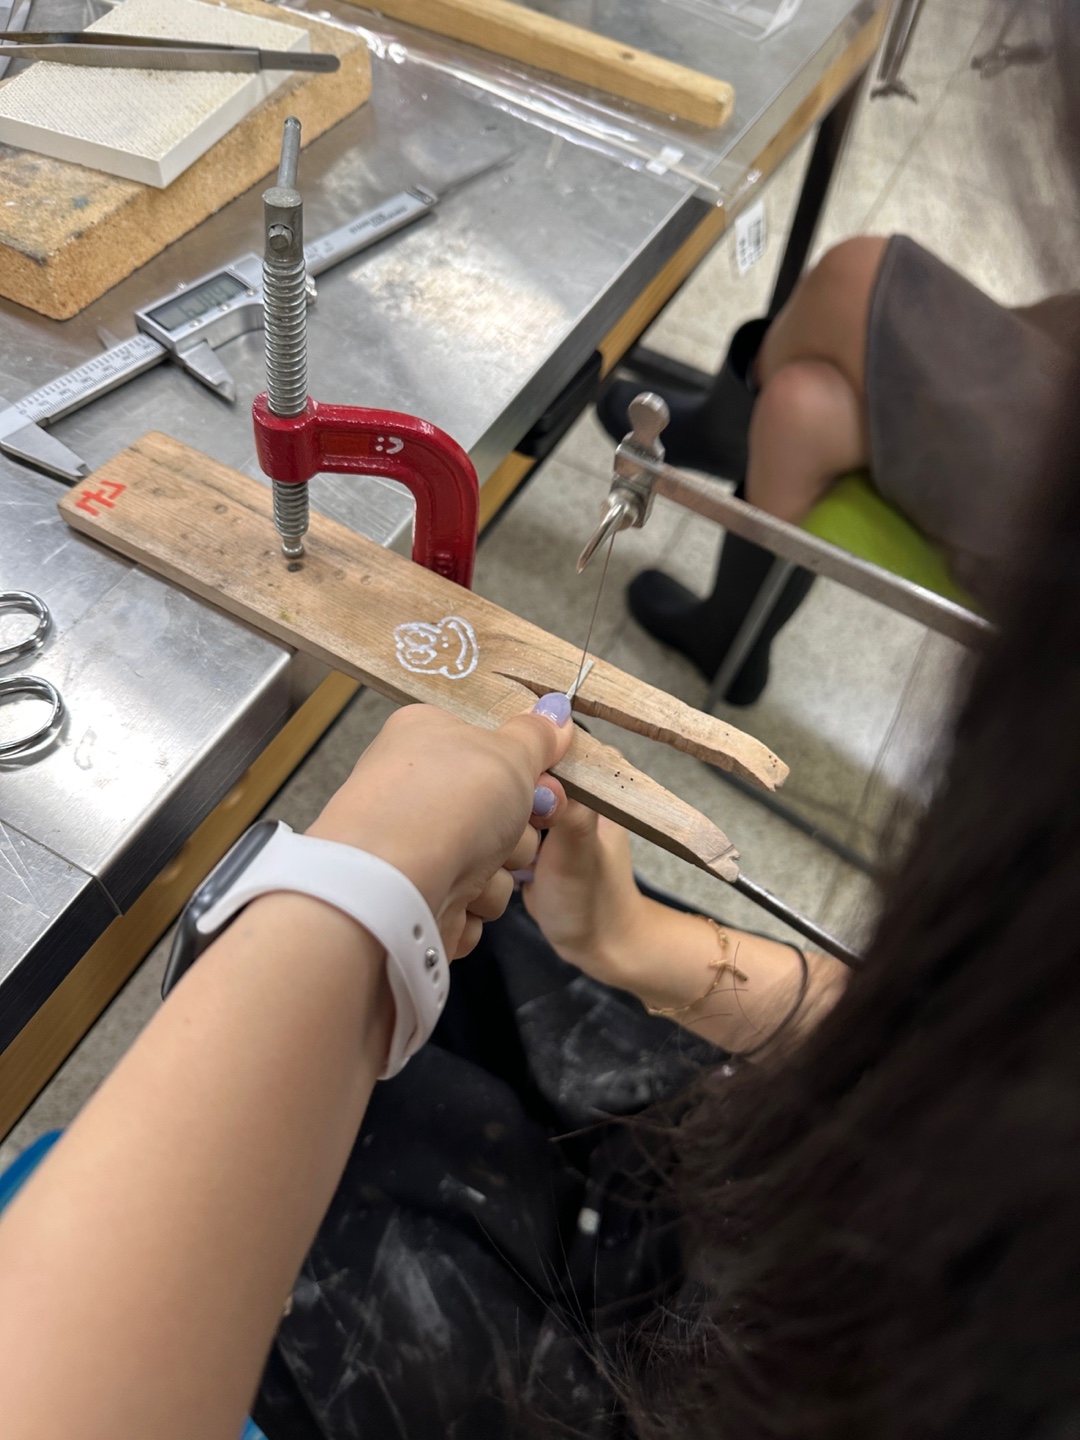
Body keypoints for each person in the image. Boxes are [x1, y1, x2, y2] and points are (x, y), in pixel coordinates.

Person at [598, 227, 1080, 705]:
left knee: (855, 273)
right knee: (797, 408)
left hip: (1055, 544)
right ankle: (729, 642)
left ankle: (725, 437)